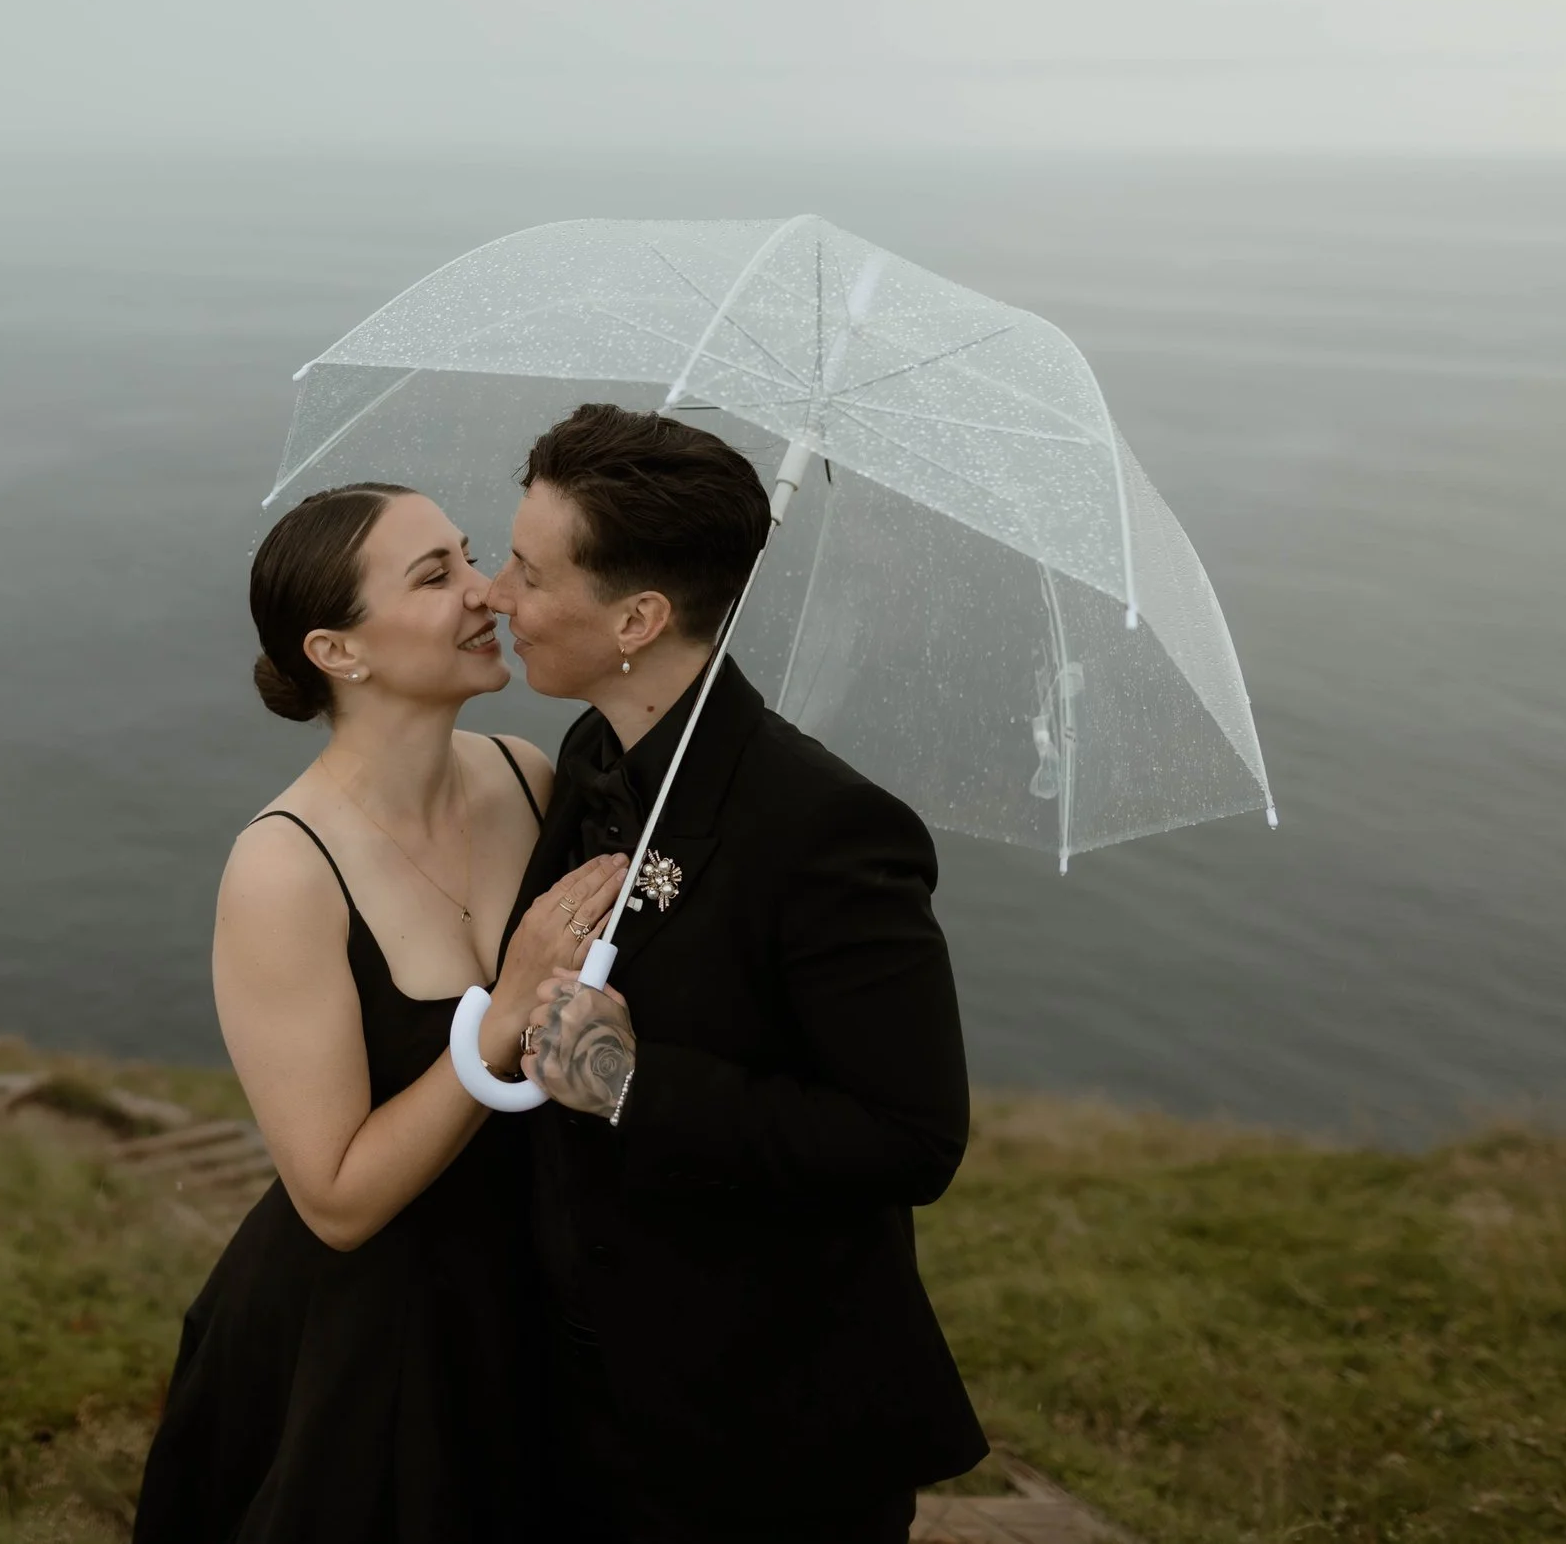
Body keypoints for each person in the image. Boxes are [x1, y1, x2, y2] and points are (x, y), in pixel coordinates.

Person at [486, 404, 990, 1542]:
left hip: (760, 1416)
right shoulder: (595, 753)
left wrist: (627, 1082)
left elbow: (911, 1137)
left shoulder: (830, 829)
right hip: (579, 1376)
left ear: (639, 616)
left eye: (526, 569)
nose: (494, 594)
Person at [134, 481, 624, 1544]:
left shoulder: (529, 775)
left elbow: (573, 1063)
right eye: (435, 575)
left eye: (469, 557)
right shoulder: (283, 867)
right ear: (336, 651)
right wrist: (497, 1020)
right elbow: (339, 1201)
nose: (488, 591)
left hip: (537, 1299)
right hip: (370, 1345)